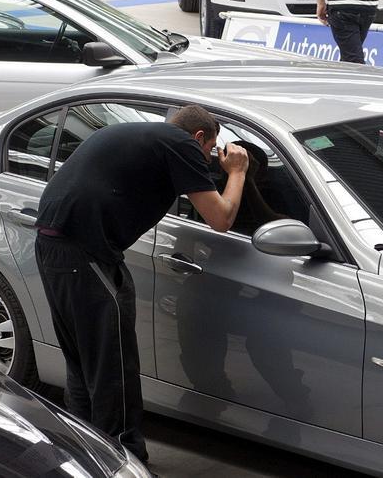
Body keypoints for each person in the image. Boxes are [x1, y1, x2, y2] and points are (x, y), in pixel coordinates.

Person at [33, 105, 248, 463]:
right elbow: (221, 218)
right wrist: (237, 172)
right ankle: (121, 461)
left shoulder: (142, 136)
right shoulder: (181, 143)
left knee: (85, 366)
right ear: (198, 137)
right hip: (85, 255)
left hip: (53, 248)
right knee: (113, 369)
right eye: (209, 150)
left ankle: (87, 458)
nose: (207, 158)